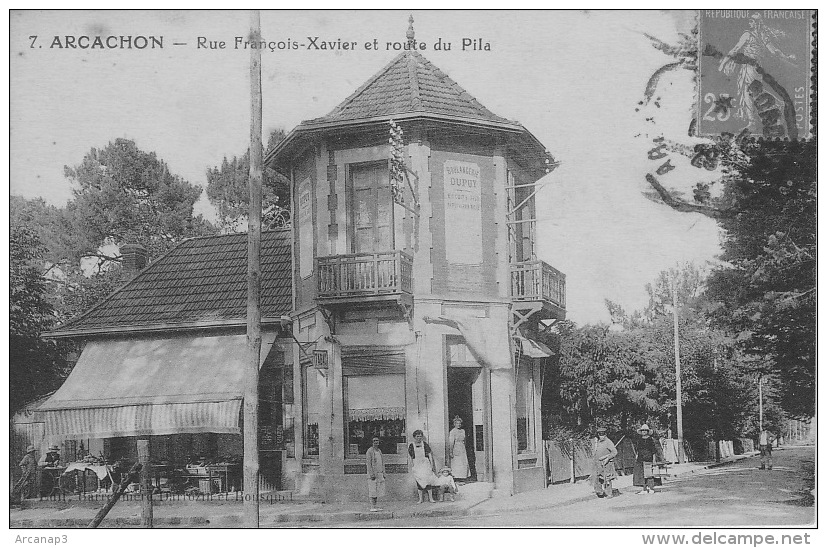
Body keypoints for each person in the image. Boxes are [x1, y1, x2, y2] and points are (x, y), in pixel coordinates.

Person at [718, 12, 798, 126]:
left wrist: (723, 63)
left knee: (748, 92)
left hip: (749, 66)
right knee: (755, 92)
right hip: (757, 67)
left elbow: (735, 49)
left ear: (756, 23)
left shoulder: (748, 35)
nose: (749, 23)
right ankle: (759, 116)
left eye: (751, 21)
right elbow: (774, 51)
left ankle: (754, 120)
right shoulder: (763, 36)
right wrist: (787, 57)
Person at [633, 424, 664, 495]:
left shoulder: (650, 440)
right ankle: (644, 489)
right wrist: (637, 457)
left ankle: (651, 488)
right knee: (642, 474)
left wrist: (653, 460)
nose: (644, 432)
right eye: (642, 430)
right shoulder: (639, 440)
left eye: (645, 430)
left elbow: (653, 451)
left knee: (649, 474)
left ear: (647, 431)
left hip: (648, 459)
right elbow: (638, 450)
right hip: (640, 459)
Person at [408, 429, 438, 503]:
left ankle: (431, 498)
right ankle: (420, 499)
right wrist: (412, 466)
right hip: (417, 464)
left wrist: (431, 464)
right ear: (414, 437)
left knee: (428, 480)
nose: (419, 438)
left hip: (425, 463)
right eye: (417, 436)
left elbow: (430, 455)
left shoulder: (424, 444)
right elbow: (411, 457)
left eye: (420, 436)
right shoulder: (412, 445)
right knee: (419, 480)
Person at [591, 426, 618, 498]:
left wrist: (608, 458)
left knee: (607, 478)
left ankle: (609, 493)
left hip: (606, 463)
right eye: (600, 434)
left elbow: (614, 452)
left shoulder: (608, 442)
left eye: (602, 434)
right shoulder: (597, 442)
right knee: (598, 477)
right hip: (598, 463)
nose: (601, 436)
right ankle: (599, 492)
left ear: (605, 434)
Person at [366, 436, 386, 512]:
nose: (376, 442)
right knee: (372, 490)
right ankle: (372, 506)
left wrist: (383, 473)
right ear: (372, 442)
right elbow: (368, 463)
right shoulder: (370, 451)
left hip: (379, 473)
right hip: (373, 474)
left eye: (377, 441)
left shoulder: (379, 451)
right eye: (374, 441)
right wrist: (371, 474)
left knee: (378, 490)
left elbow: (382, 462)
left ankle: (376, 506)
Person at [448, 416, 470, 482]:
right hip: (456, 447)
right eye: (457, 423)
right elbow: (451, 442)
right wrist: (451, 452)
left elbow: (465, 440)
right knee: (457, 463)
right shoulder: (452, 431)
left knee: (463, 463)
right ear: (454, 424)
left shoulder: (463, 431)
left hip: (462, 448)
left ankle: (462, 478)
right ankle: (456, 478)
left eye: (460, 423)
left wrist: (463, 447)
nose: (459, 425)